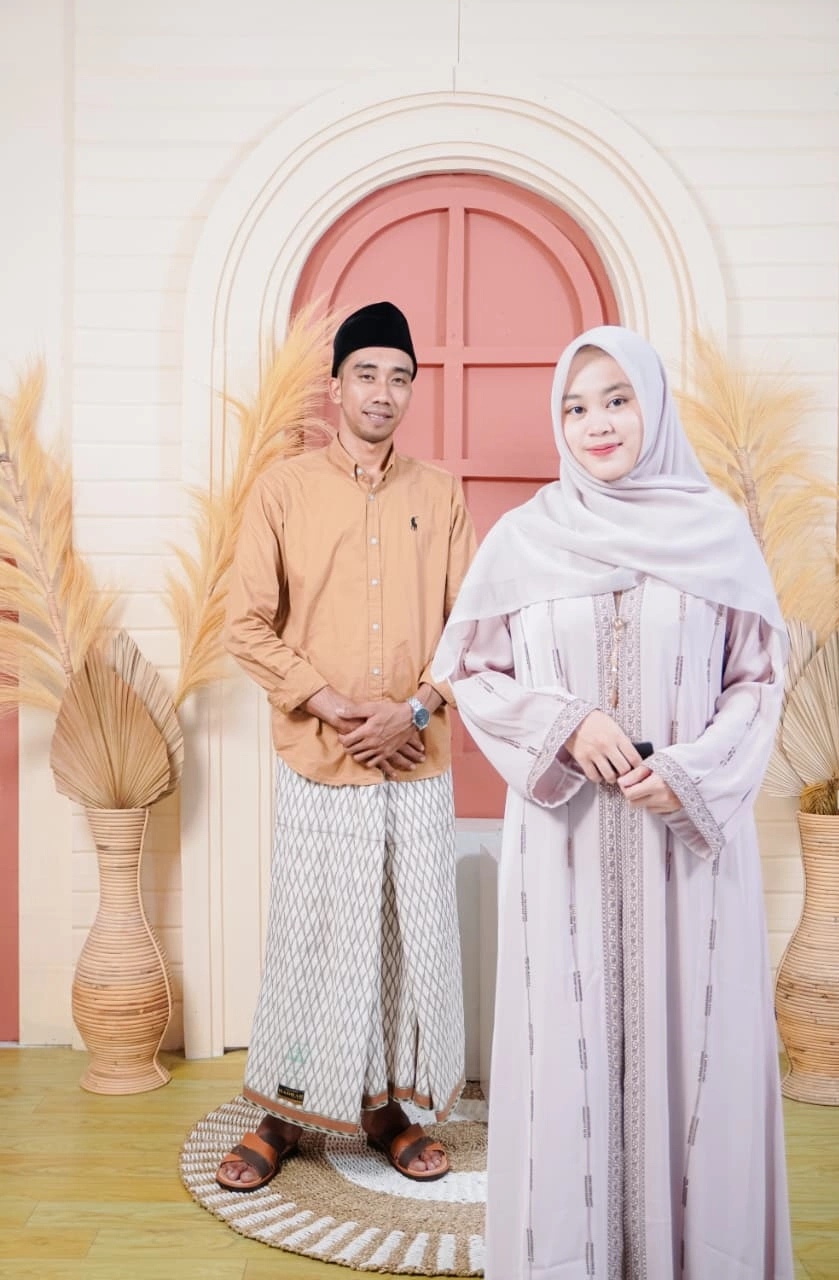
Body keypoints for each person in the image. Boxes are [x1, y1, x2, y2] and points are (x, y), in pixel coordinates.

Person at [433, 326, 794, 1279]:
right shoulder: (525, 539)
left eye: (616, 400)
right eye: (575, 406)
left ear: (653, 407)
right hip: (567, 846)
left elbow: (757, 683)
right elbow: (471, 673)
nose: (595, 423)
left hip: (688, 848)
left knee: (699, 1057)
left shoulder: (718, 533)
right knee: (569, 1060)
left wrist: (692, 770)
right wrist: (563, 722)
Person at [216, 301, 477, 1191]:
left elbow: (472, 629)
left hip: (413, 758)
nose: (382, 392)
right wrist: (336, 709)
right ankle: (285, 1112)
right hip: (320, 760)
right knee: (314, 936)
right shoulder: (283, 489)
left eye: (399, 378)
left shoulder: (440, 494)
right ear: (335, 386)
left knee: (407, 936)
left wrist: (414, 710)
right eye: (366, 374)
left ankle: (388, 1110)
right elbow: (246, 625)